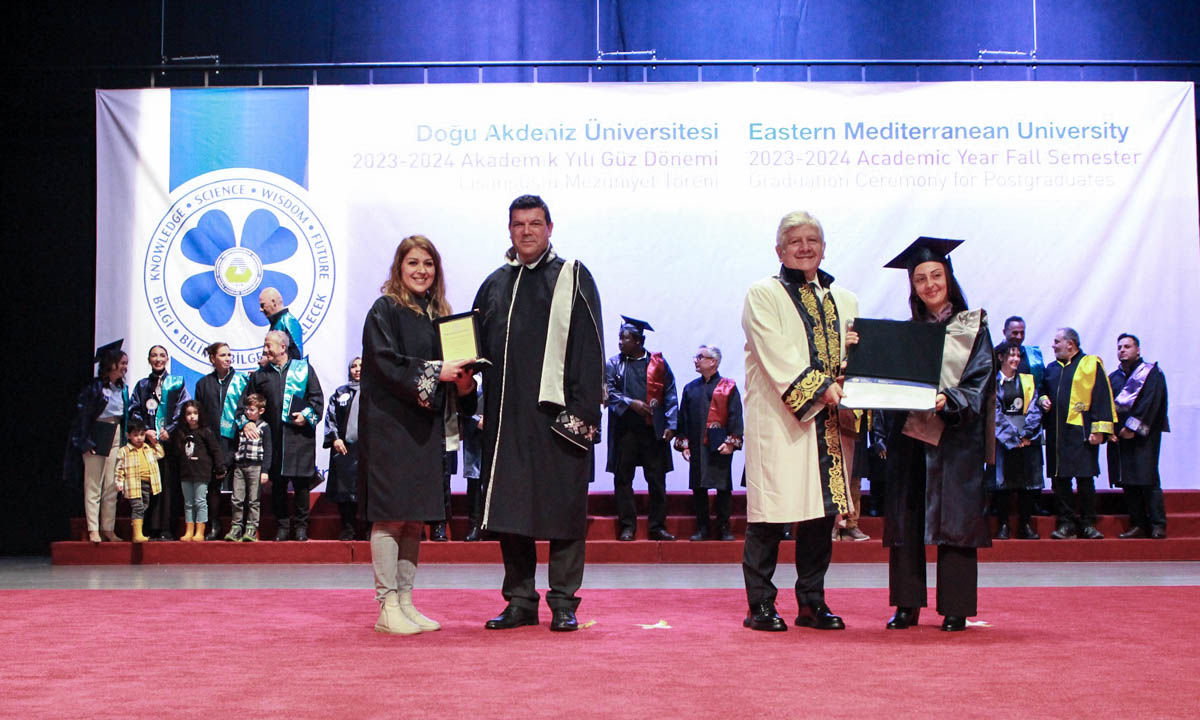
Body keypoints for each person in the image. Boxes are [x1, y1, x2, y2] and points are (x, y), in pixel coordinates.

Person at [473, 194, 604, 632]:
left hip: (557, 419)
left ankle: (564, 601)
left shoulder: (571, 277)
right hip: (507, 422)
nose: (526, 231)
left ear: (550, 228)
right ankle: (520, 601)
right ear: (509, 230)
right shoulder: (494, 285)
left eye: (534, 223)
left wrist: (581, 418)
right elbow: (473, 349)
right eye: (518, 224)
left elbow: (590, 349)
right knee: (511, 513)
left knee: (564, 513)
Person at [740, 210, 856, 633]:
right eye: (795, 241)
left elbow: (850, 359)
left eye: (812, 240)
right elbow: (775, 352)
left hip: (827, 423)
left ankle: (812, 602)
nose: (804, 248)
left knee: (819, 516)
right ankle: (761, 605)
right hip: (780, 420)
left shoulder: (844, 299)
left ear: (823, 248)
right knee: (769, 515)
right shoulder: (763, 294)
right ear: (779, 250)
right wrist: (823, 387)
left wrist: (855, 368)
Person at [359, 235, 477, 635]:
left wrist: (464, 384)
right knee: (390, 516)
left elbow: (453, 375)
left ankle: (406, 602)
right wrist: (436, 371)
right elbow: (384, 363)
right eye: (413, 263)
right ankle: (386, 605)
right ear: (399, 267)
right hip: (390, 428)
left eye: (428, 263)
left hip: (426, 428)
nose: (421, 270)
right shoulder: (384, 309)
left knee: (414, 520)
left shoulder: (439, 316)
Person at [880, 237, 994, 633]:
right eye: (920, 278)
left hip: (956, 436)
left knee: (957, 520)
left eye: (936, 276)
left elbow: (981, 380)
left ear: (949, 278)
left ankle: (956, 607)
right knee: (907, 516)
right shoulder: (906, 333)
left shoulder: (973, 329)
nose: (929, 284)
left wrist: (952, 399)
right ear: (912, 286)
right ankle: (906, 605)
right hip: (911, 436)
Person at [241, 330, 324, 541]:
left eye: (269, 345)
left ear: (283, 348)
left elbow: (316, 400)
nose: (265, 349)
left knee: (302, 485)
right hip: (274, 440)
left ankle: (301, 527)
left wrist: (305, 416)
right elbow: (245, 404)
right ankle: (282, 526)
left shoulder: (304, 370)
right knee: (277, 485)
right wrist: (247, 423)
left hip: (299, 438)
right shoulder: (260, 375)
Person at [605, 316, 679, 541]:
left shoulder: (658, 364)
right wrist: (631, 403)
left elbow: (670, 394)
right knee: (623, 478)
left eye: (625, 338)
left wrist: (671, 424)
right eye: (620, 338)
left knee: (656, 480)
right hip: (625, 429)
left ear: (638, 341)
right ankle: (628, 526)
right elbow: (608, 391)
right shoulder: (614, 363)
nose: (620, 342)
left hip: (652, 430)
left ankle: (657, 526)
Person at [1042, 327, 1116, 540]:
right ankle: (1066, 523)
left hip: (1082, 432)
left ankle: (1088, 523)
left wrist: (1099, 430)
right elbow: (1042, 390)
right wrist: (1042, 399)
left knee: (1085, 479)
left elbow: (1102, 396)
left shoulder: (1091, 364)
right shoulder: (1051, 369)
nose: (1053, 345)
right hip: (1057, 434)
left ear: (1070, 344)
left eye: (1057, 341)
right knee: (1060, 480)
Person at [674, 345, 742, 541]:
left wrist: (731, 442)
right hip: (697, 445)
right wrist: (685, 444)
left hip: (719, 444)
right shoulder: (690, 388)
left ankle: (724, 528)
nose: (695, 360)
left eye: (700, 357)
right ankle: (702, 528)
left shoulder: (728, 387)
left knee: (723, 487)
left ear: (713, 361)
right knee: (699, 487)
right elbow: (683, 418)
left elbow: (735, 415)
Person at [1107, 333, 1169, 539]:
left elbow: (1151, 403)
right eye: (1119, 347)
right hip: (1120, 437)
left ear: (1138, 350)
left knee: (1147, 478)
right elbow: (1107, 407)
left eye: (1127, 346)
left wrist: (1132, 428)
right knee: (1128, 480)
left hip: (1144, 436)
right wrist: (1111, 431)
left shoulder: (1151, 373)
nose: (1122, 350)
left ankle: (1158, 524)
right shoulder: (1114, 378)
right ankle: (1138, 523)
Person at [68, 340, 130, 543]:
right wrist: (86, 441)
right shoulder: (94, 388)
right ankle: (93, 529)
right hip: (97, 433)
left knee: (112, 485)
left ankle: (108, 528)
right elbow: (82, 416)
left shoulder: (123, 389)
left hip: (116, 433)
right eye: (122, 363)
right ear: (111, 364)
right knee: (94, 484)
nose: (125, 367)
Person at [129, 345, 189, 540]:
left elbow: (183, 409)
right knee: (148, 484)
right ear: (149, 360)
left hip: (170, 443)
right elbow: (134, 409)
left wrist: (169, 430)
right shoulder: (142, 385)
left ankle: (166, 528)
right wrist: (146, 430)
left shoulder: (177, 383)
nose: (158, 359)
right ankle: (149, 527)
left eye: (162, 355)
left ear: (167, 359)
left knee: (168, 485)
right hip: (147, 443)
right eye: (154, 356)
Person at [194, 342, 249, 539]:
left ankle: (240, 526)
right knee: (213, 487)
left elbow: (247, 409)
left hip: (236, 440)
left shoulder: (242, 381)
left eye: (229, 355)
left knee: (239, 487)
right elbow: (200, 415)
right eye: (223, 355)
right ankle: (214, 525)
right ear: (213, 359)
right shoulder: (203, 384)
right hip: (212, 443)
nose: (228, 358)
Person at [991, 340, 1045, 540]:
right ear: (1001, 357)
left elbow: (1035, 408)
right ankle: (1003, 524)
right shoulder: (992, 383)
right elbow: (995, 413)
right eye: (1011, 355)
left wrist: (1026, 434)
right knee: (1002, 485)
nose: (1015, 359)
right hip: (1002, 441)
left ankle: (1025, 524)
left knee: (1027, 484)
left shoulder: (1028, 381)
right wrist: (1013, 438)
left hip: (1027, 440)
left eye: (1018, 355)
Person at [170, 400, 225, 542]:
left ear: (200, 414)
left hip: (202, 473)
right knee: (188, 503)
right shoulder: (180, 433)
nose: (192, 416)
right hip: (186, 473)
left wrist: (220, 467)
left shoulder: (206, 432)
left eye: (195, 413)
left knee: (200, 501)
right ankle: (189, 530)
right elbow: (176, 453)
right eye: (188, 414)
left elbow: (215, 450)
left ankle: (200, 530)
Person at [324, 357, 362, 541]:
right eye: (353, 366)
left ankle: (369, 529)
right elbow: (330, 418)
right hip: (344, 447)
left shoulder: (376, 392)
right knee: (344, 489)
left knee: (368, 489)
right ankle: (348, 528)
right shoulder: (340, 393)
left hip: (368, 449)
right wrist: (335, 438)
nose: (357, 369)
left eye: (361, 366)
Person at [226, 393, 271, 542]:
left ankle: (251, 527)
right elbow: (234, 446)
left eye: (252, 410)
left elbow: (268, 450)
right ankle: (236, 527)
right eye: (246, 409)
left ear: (261, 411)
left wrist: (265, 471)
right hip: (240, 466)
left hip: (255, 467)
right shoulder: (241, 426)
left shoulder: (264, 427)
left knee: (253, 500)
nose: (248, 412)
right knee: (236, 498)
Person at [114, 417, 164, 543]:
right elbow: (119, 468)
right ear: (128, 436)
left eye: (142, 435)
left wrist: (154, 442)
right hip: (133, 484)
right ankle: (137, 534)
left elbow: (160, 454)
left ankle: (137, 527)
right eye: (135, 435)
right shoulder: (124, 451)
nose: (139, 438)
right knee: (138, 507)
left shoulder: (148, 448)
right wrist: (119, 482)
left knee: (144, 506)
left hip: (147, 484)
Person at [835, 409, 872, 541]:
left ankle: (851, 524)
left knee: (855, 478)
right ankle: (834, 525)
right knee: (835, 474)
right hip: (835, 422)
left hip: (858, 424)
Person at [461, 386, 486, 541]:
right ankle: (475, 524)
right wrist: (476, 419)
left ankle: (493, 525)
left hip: (499, 425)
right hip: (473, 426)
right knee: (474, 475)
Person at [259, 287, 303, 360]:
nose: (260, 309)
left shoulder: (288, 321)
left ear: (273, 302)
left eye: (262, 305)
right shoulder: (277, 322)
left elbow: (296, 357)